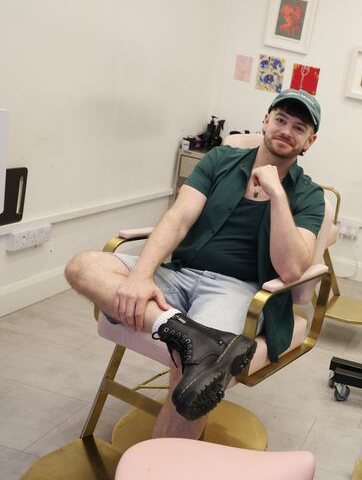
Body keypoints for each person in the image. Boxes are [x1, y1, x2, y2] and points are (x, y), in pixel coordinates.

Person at [64, 89, 325, 438]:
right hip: (180, 275)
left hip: (237, 292)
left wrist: (277, 193)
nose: (286, 131)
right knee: (83, 265)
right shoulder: (220, 159)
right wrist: (141, 275)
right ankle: (192, 337)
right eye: (281, 120)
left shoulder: (309, 195)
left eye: (299, 127)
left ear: (309, 141)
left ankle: (158, 470)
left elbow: (291, 269)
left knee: (194, 378)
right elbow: (178, 219)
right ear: (265, 122)